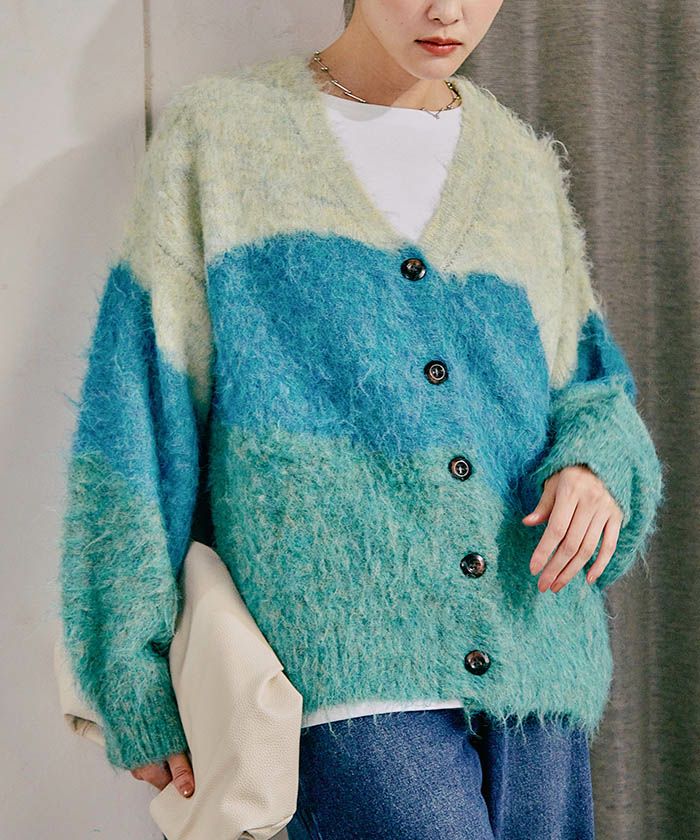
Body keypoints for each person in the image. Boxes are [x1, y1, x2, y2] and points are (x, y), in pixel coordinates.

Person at [57, 0, 665, 837]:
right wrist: (128, 672)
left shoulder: (519, 165)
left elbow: (593, 388)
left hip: (539, 669)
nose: (448, 10)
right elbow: (137, 418)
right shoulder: (224, 140)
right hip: (345, 680)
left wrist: (596, 466)